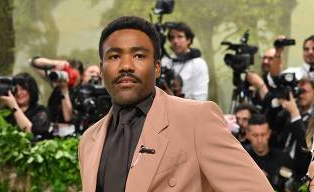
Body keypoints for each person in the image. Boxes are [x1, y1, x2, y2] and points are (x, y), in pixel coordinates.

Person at [78, 16, 272, 191]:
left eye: (138, 55)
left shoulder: (196, 119)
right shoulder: (89, 140)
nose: (126, 66)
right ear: (102, 70)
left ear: (157, 68)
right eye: (114, 56)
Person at [0, 73, 51, 140]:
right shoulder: (6, 111)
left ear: (31, 90)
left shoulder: (41, 111)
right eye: (15, 89)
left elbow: (32, 134)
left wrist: (14, 107)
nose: (19, 93)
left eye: (23, 89)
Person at [160, 22, 209, 100]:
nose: (175, 41)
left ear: (188, 40)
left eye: (180, 36)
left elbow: (200, 99)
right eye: (172, 37)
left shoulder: (198, 63)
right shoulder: (166, 61)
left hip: (190, 109)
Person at [245, 114, 294, 191]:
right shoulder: (242, 157)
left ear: (269, 133)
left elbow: (293, 185)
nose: (260, 140)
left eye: (263, 135)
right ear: (247, 135)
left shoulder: (284, 159)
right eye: (255, 135)